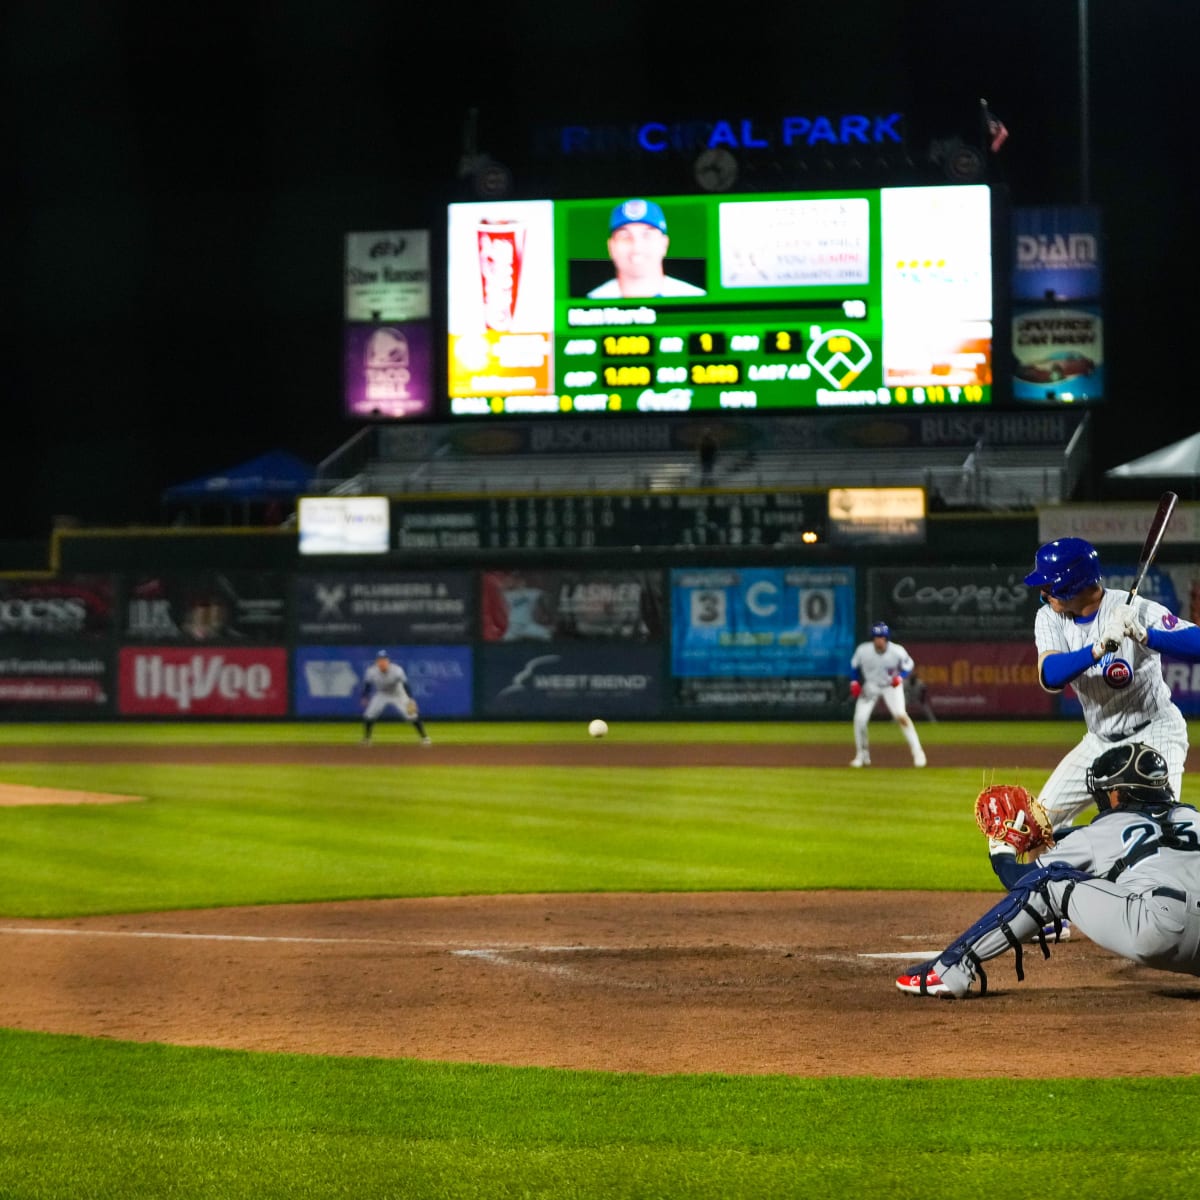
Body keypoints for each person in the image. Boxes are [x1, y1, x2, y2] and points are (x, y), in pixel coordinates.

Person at [897, 742, 1200, 998]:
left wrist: (1001, 851)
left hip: (1163, 931)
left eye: (1105, 792)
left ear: (1118, 794)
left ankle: (949, 971)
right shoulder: (1192, 815)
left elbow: (1024, 880)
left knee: (1049, 883)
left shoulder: (1101, 833)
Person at [1021, 536, 1200, 834]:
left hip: (1154, 733)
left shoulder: (1134, 609)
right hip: (1099, 741)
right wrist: (1097, 649)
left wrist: (1146, 637)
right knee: (1036, 828)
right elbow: (1050, 675)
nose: (1042, 593)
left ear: (1073, 584)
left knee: (1155, 831)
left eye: (1049, 585)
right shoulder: (1049, 618)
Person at [586, 199, 706, 299]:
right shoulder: (592, 302)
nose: (637, 247)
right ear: (611, 247)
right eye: (625, 236)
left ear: (664, 244)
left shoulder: (694, 297)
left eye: (647, 235)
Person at [848, 622, 927, 768]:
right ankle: (862, 755)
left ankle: (918, 752)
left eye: (882, 637)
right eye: (877, 637)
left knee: (900, 715)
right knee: (859, 720)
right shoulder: (863, 650)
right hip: (871, 686)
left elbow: (909, 665)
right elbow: (854, 666)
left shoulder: (897, 651)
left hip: (891, 686)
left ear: (887, 638)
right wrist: (854, 682)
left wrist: (900, 677)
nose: (879, 640)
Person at [360, 649, 431, 746]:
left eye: (384, 660)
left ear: (388, 661)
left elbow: (406, 684)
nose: (382, 662)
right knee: (369, 714)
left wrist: (410, 699)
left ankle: (425, 738)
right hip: (382, 694)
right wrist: (365, 696)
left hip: (398, 694)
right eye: (380, 660)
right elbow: (368, 685)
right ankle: (367, 739)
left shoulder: (397, 670)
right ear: (377, 662)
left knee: (412, 715)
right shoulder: (371, 671)